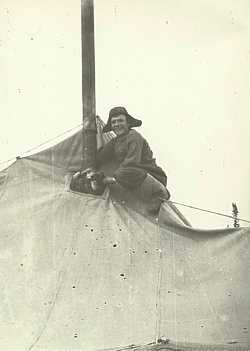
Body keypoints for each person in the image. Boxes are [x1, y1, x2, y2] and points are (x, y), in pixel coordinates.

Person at [98, 106, 170, 214]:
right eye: (114, 122)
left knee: (121, 174)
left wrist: (112, 179)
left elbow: (132, 162)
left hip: (150, 174)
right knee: (121, 175)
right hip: (132, 175)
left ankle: (160, 192)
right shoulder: (115, 142)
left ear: (128, 123)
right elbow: (100, 156)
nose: (117, 125)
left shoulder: (134, 136)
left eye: (120, 121)